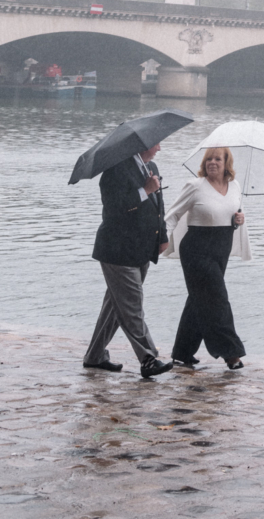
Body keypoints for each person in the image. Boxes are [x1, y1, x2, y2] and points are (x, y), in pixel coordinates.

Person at [83, 141, 174, 378]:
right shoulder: (115, 169)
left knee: (116, 306)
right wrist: (145, 190)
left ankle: (94, 356)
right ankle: (148, 358)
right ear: (142, 144)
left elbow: (158, 207)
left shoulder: (150, 166)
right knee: (132, 305)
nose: (159, 149)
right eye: (156, 144)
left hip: (142, 248)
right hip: (117, 249)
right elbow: (114, 208)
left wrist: (162, 236)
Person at [164, 146, 249, 371]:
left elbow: (234, 212)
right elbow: (173, 214)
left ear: (226, 163)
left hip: (222, 248)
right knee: (217, 298)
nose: (212, 162)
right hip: (196, 249)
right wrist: (160, 239)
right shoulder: (195, 186)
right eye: (209, 159)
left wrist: (239, 218)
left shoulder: (235, 186)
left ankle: (182, 353)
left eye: (217, 159)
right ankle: (231, 353)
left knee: (198, 299)